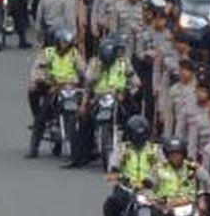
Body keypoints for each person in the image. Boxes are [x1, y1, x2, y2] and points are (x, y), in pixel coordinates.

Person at [68, 38, 138, 167]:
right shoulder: (94, 64)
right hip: (99, 99)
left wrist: (127, 91)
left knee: (134, 121)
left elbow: (136, 83)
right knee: (81, 120)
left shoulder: (124, 63)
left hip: (120, 97)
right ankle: (79, 157)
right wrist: (84, 104)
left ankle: (134, 153)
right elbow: (88, 86)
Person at [102, 115, 160, 216]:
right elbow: (113, 166)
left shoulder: (155, 150)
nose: (138, 138)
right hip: (128, 190)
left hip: (150, 191)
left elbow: (162, 168)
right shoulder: (123, 149)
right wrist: (117, 173)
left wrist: (151, 181)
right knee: (110, 204)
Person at [27, 29, 85, 159]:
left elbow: (83, 71)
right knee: (41, 116)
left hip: (71, 89)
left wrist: (85, 81)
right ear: (57, 42)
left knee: (83, 115)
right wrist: (45, 81)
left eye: (68, 43)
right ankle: (34, 147)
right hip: (54, 88)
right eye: (63, 42)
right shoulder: (48, 53)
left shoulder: (75, 54)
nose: (65, 45)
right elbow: (38, 71)